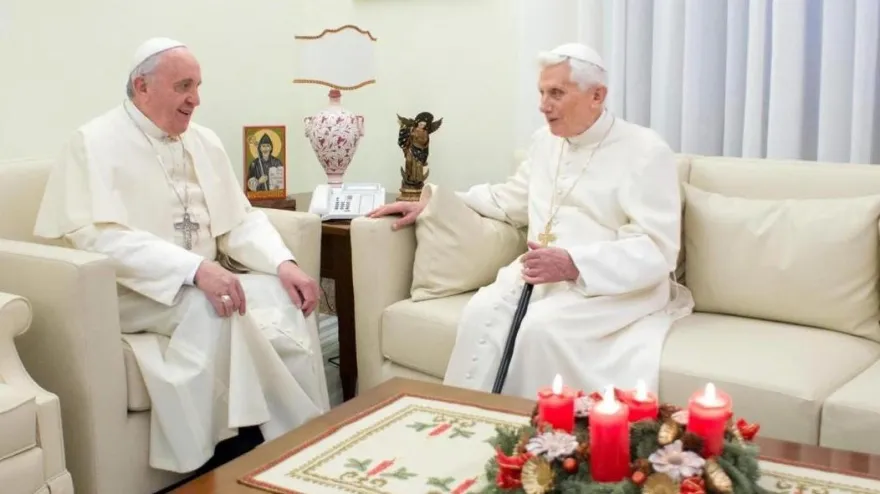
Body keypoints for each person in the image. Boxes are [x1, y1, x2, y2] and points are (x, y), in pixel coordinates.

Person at [32, 37, 331, 473]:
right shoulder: (93, 142)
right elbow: (96, 238)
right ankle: (225, 455)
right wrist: (192, 270)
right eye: (184, 86)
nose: (196, 99)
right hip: (137, 289)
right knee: (215, 306)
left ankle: (306, 438)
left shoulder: (204, 142)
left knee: (283, 296)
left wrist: (284, 264)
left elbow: (239, 219)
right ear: (142, 87)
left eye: (198, 85)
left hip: (205, 277)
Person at [367, 42, 694, 398]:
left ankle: (536, 441)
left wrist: (574, 263)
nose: (543, 105)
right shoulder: (544, 142)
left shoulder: (646, 151)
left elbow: (657, 249)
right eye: (541, 92)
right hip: (542, 276)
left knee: (540, 328)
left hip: (616, 285)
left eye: (556, 93)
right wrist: (433, 204)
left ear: (597, 95)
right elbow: (510, 199)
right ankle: (469, 420)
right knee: (481, 312)